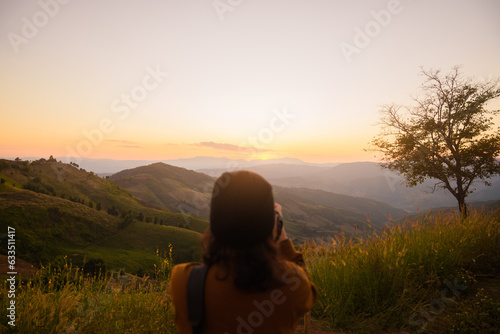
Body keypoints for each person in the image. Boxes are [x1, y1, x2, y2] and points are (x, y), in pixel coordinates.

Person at [170, 170, 317, 333]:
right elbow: (309, 295)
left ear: (215, 220)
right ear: (270, 224)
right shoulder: (291, 285)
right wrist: (282, 238)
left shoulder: (183, 280)